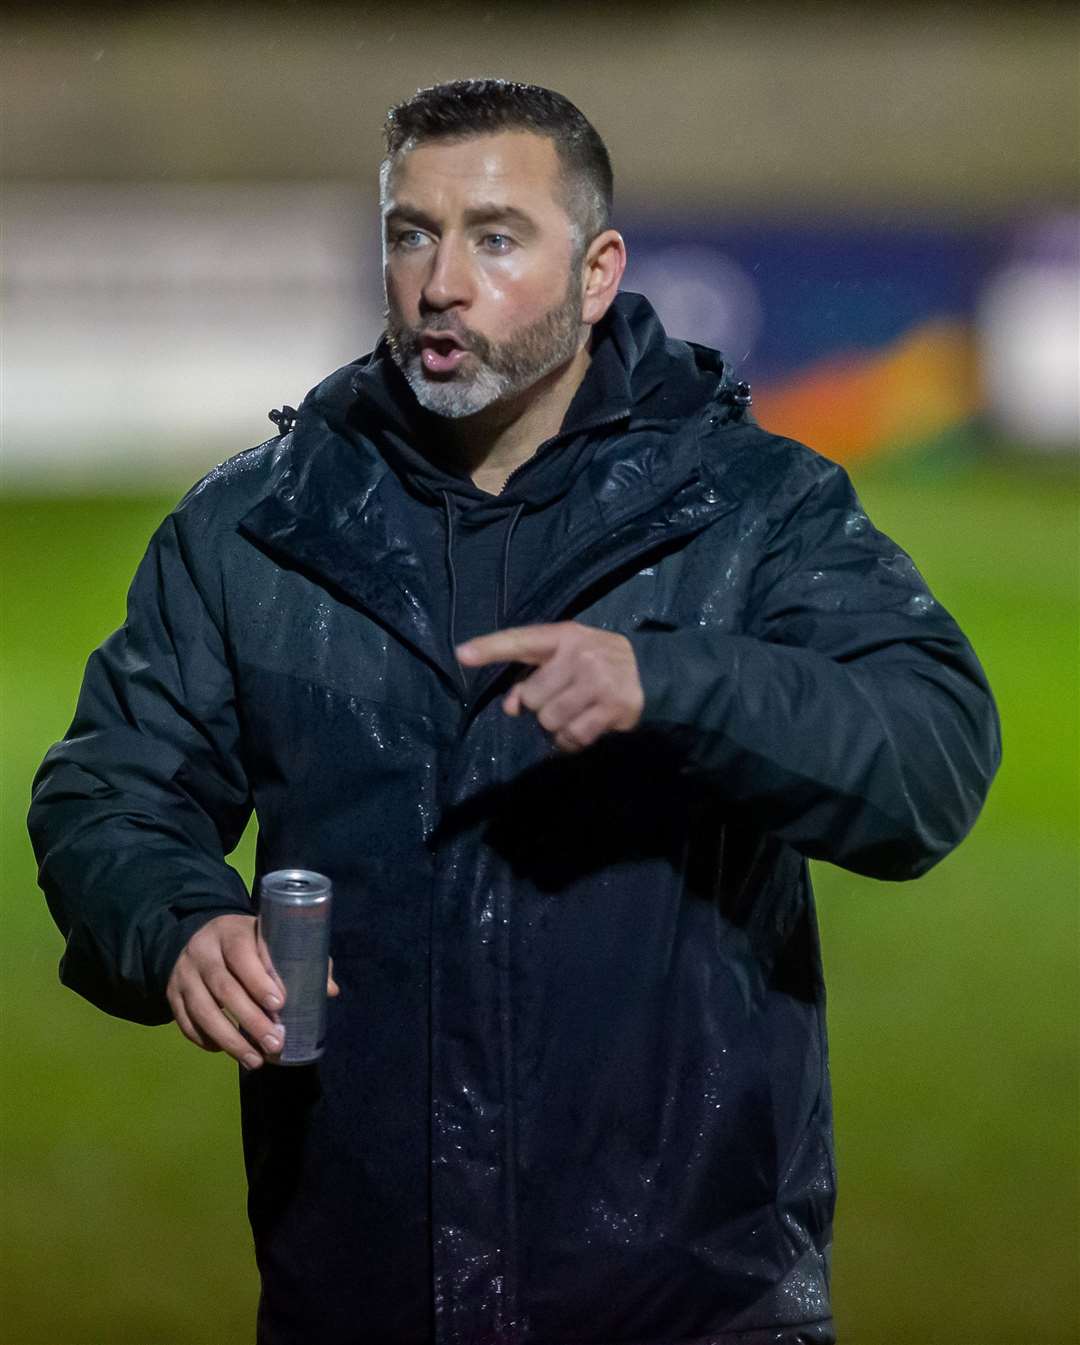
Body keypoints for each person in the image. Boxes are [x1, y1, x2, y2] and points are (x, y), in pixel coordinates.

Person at [29, 79, 1001, 1345]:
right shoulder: (253, 527)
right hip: (360, 1301)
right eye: (409, 233)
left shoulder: (757, 509)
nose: (439, 282)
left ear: (598, 272)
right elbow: (108, 788)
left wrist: (676, 680)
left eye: (494, 236)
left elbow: (927, 760)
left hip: (691, 1308)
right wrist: (176, 922)